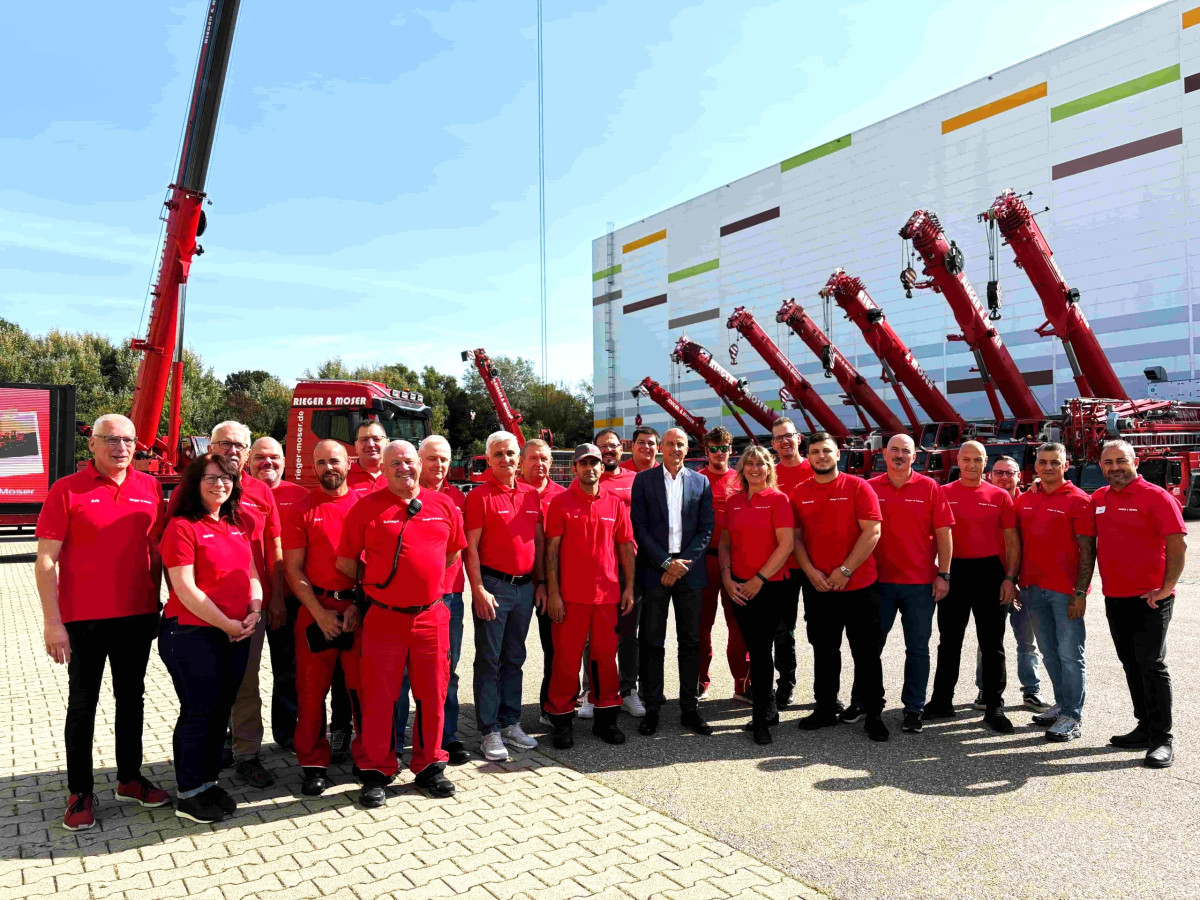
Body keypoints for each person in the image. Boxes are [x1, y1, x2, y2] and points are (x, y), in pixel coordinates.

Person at [35, 413, 170, 831]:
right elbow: (45, 560)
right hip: (84, 620)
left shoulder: (149, 487)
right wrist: (52, 623)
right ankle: (79, 791)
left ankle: (129, 779)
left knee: (132, 699)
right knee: (83, 704)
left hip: (137, 616)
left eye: (128, 440)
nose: (121, 447)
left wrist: (159, 603)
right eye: (110, 439)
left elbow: (158, 553)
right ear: (91, 444)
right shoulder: (66, 489)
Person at [336, 441, 465, 805]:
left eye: (408, 461)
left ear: (419, 465)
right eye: (395, 463)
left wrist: (425, 583)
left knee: (433, 694)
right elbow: (346, 562)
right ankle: (377, 770)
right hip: (384, 618)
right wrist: (379, 583)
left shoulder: (443, 505)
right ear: (384, 467)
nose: (403, 468)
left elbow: (453, 552)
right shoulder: (366, 508)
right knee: (379, 696)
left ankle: (429, 766)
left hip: (431, 617)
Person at [159, 452, 261, 824]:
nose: (220, 484)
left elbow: (251, 571)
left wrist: (254, 609)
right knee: (198, 712)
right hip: (192, 634)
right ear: (195, 484)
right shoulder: (182, 527)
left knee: (220, 712)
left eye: (227, 478)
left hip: (235, 632)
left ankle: (208, 782)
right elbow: (185, 588)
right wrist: (228, 625)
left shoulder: (236, 523)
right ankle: (189, 793)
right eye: (211, 478)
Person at [1081, 439, 1186, 768]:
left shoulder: (1157, 497)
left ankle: (1162, 738)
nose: (1115, 467)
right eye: (1108, 462)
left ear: (1135, 462)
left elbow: (1178, 544)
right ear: (1101, 466)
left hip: (1150, 599)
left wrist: (1166, 588)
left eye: (1121, 461)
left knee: (1152, 664)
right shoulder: (1098, 498)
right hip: (1115, 597)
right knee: (1130, 662)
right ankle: (1144, 726)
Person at [791, 433, 888, 741]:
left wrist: (845, 570)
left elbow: (872, 531)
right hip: (819, 587)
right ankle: (825, 708)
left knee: (866, 652)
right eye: (815, 451)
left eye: (826, 450)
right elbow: (795, 538)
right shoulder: (800, 492)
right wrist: (810, 573)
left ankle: (874, 713)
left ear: (837, 454)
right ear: (808, 456)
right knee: (824, 650)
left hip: (859, 586)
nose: (821, 456)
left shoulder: (858, 487)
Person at [281, 440, 365, 796]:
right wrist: (319, 614)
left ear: (349, 463)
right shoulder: (301, 508)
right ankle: (313, 763)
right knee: (311, 692)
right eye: (321, 463)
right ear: (313, 467)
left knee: (362, 691)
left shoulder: (365, 505)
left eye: (334, 461)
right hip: (315, 611)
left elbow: (374, 563)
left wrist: (358, 605)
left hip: (359, 612)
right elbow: (293, 568)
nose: (328, 468)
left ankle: (367, 758)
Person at [543, 444, 636, 749]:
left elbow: (625, 548)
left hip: (607, 597)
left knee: (605, 661)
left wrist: (629, 588)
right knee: (566, 662)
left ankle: (605, 720)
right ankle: (561, 721)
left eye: (594, 462)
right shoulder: (560, 503)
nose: (590, 468)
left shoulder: (615, 503)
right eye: (584, 463)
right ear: (575, 468)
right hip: (570, 599)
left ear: (601, 466)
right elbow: (551, 552)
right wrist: (554, 594)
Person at [206, 421, 282, 789]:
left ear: (248, 453)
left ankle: (247, 755)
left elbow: (274, 547)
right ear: (211, 447)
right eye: (225, 444)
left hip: (252, 607)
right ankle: (210, 749)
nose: (232, 450)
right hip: (204, 606)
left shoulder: (261, 493)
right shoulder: (195, 487)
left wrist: (276, 598)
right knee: (206, 681)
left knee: (246, 682)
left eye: (239, 446)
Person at [926, 441, 1020, 733]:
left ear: (985, 462)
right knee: (949, 641)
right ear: (958, 460)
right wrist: (939, 573)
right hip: (954, 571)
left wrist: (1010, 578)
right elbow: (931, 536)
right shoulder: (942, 493)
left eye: (977, 459)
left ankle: (994, 707)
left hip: (990, 573)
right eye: (966, 459)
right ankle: (941, 701)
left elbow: (1012, 541)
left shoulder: (999, 496)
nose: (971, 464)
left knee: (992, 644)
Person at [865, 433, 953, 735]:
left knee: (917, 649)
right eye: (894, 450)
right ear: (884, 454)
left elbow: (944, 533)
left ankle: (913, 708)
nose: (899, 455)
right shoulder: (870, 488)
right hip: (879, 584)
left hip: (919, 585)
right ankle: (865, 702)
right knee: (870, 648)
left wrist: (944, 574)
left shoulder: (929, 488)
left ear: (915, 457)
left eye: (906, 451)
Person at [629, 427, 715, 736]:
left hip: (689, 571)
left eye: (680, 444)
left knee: (690, 641)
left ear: (687, 449)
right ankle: (652, 708)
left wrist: (681, 565)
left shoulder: (700, 482)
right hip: (656, 570)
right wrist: (666, 563)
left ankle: (689, 709)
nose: (675, 449)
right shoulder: (644, 481)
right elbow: (639, 527)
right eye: (669, 444)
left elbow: (706, 529)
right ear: (660, 448)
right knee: (652, 641)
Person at [393, 436, 471, 767]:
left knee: (446, 672)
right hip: (409, 602)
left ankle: (445, 736)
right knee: (402, 675)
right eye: (431, 458)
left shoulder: (458, 497)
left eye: (443, 459)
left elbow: (459, 548)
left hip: (449, 597)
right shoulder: (403, 493)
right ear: (418, 461)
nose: (438, 465)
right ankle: (396, 741)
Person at [465, 431, 542, 761]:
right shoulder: (479, 496)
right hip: (494, 587)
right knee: (489, 659)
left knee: (515, 657)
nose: (506, 459)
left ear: (519, 459)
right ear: (488, 459)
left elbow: (537, 542)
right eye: (498, 454)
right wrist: (478, 588)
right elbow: (470, 548)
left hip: (524, 589)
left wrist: (540, 583)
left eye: (511, 453)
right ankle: (489, 730)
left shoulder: (530, 495)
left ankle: (510, 722)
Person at [1015, 443, 1093, 742]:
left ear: (1066, 465)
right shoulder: (1025, 499)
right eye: (1043, 462)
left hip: (1065, 592)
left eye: (1055, 462)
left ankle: (1072, 715)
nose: (1048, 467)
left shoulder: (1079, 500)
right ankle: (1062, 704)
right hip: (1033, 589)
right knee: (1049, 652)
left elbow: (1088, 551)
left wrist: (1080, 592)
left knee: (1071, 655)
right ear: (1035, 466)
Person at [719, 445, 794, 745]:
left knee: (762, 652)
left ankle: (761, 719)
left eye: (760, 463)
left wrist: (758, 579)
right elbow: (725, 542)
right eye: (749, 463)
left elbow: (786, 545)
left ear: (769, 468)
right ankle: (768, 709)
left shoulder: (779, 499)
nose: (754, 468)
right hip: (738, 587)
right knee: (754, 649)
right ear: (741, 469)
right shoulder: (734, 502)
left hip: (770, 587)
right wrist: (727, 577)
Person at [248, 436, 308, 752]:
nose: (267, 463)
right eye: (260, 457)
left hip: (288, 600)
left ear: (284, 461)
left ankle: (286, 733)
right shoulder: (232, 492)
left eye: (274, 457)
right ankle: (235, 739)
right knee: (239, 675)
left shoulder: (299, 496)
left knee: (288, 670)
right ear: (249, 460)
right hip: (243, 602)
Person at [975, 456, 1046, 712]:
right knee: (988, 641)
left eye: (1009, 472)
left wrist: (1041, 484)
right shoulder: (984, 499)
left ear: (1019, 475)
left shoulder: (1030, 500)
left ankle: (1031, 691)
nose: (1004, 477)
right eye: (999, 472)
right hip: (993, 582)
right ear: (989, 475)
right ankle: (986, 690)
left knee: (1027, 642)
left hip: (1024, 582)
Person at [697, 427, 751, 702]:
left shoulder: (742, 480)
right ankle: (699, 681)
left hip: (736, 562)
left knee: (739, 626)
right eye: (714, 448)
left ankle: (742, 683)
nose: (719, 453)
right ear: (706, 451)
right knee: (700, 626)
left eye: (724, 448)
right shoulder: (696, 480)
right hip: (704, 562)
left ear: (731, 450)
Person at [595, 428, 644, 717]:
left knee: (628, 633)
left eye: (612, 445)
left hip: (629, 570)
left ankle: (628, 690)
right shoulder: (588, 479)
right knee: (595, 635)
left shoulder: (635, 480)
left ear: (621, 449)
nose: (608, 450)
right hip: (599, 571)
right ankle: (593, 691)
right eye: (602, 446)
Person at [518, 439, 567, 719]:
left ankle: (549, 708)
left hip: (554, 586)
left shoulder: (562, 495)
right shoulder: (513, 492)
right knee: (511, 652)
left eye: (544, 458)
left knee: (555, 649)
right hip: (521, 584)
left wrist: (551, 586)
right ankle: (504, 716)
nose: (539, 463)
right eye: (533, 458)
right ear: (522, 462)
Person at [769, 417, 813, 709]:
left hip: (816, 565)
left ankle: (827, 691)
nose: (784, 441)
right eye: (778, 438)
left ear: (799, 438)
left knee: (822, 632)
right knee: (782, 631)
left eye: (788, 436)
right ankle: (785, 683)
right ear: (773, 444)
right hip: (783, 566)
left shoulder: (816, 468)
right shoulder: (769, 473)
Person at [346, 419, 390, 493]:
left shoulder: (398, 473)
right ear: (356, 446)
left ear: (387, 443)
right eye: (364, 440)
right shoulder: (343, 476)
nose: (370, 444)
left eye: (376, 439)